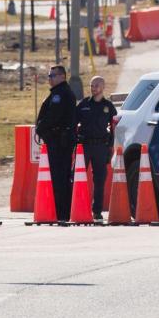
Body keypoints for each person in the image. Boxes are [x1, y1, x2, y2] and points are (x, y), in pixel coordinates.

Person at [35, 64, 77, 221]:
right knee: (58, 177)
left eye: (52, 76)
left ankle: (62, 212)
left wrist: (41, 127)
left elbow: (53, 117)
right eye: (49, 76)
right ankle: (61, 211)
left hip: (60, 142)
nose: (49, 79)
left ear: (62, 77)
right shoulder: (58, 93)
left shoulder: (61, 94)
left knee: (59, 178)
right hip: (57, 141)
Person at [75, 75, 117, 220]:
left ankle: (97, 211)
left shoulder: (108, 107)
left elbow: (114, 127)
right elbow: (74, 121)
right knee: (77, 178)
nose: (93, 88)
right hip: (85, 146)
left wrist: (110, 147)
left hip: (100, 146)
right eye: (92, 85)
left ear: (103, 87)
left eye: (96, 85)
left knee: (99, 180)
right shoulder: (84, 104)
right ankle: (76, 208)